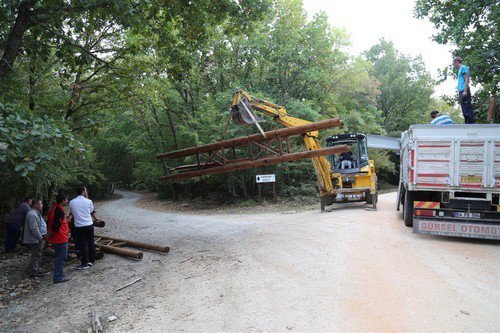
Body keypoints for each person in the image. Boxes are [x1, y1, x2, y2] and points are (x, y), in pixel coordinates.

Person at [69, 186, 99, 270]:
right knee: (90, 242)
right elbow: (91, 211)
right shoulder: (89, 201)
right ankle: (91, 260)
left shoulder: (71, 202)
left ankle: (84, 262)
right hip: (89, 225)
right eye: (85, 191)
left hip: (79, 226)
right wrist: (97, 219)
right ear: (83, 191)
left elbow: (72, 213)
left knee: (82, 244)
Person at [47, 193, 70, 283]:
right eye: (67, 199)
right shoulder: (58, 211)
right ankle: (58, 277)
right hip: (60, 237)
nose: (67, 201)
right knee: (61, 257)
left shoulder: (54, 208)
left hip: (57, 237)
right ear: (63, 200)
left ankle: (59, 275)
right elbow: (56, 225)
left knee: (58, 256)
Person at [23, 198, 47, 278]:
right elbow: (34, 228)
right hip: (35, 238)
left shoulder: (35, 213)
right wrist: (40, 237)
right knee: (36, 254)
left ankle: (34, 269)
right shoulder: (32, 214)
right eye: (41, 204)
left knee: (37, 254)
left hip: (36, 238)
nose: (42, 205)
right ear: (36, 205)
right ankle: (33, 271)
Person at [452, 57, 475, 124]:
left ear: (456, 62)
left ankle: (470, 124)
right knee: (464, 108)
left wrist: (465, 91)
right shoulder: (460, 69)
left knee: (467, 108)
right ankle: (467, 123)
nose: (453, 65)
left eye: (453, 64)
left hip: (464, 90)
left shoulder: (463, 68)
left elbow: (467, 79)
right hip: (461, 90)